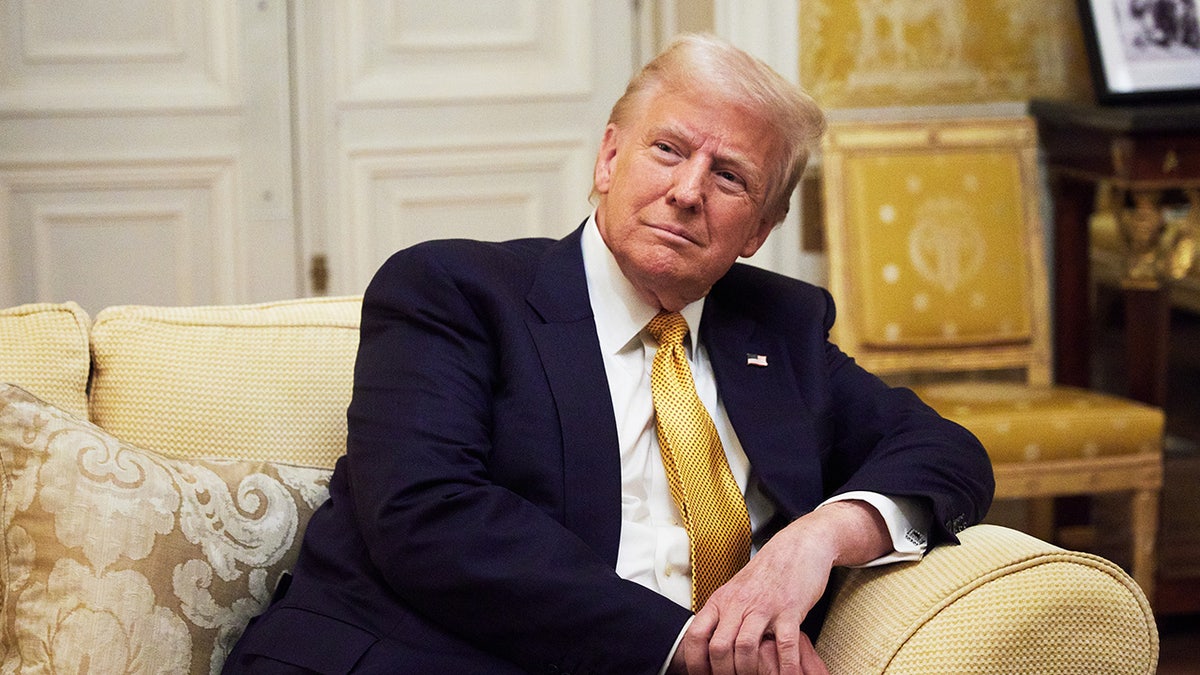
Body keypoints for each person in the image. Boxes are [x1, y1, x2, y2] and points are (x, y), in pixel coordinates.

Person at [224, 34, 993, 675]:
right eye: (668, 149)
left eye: (730, 177)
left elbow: (945, 451)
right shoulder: (454, 291)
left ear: (759, 230)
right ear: (607, 160)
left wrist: (819, 537)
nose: (689, 191)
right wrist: (693, 644)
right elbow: (429, 516)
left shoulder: (778, 327)